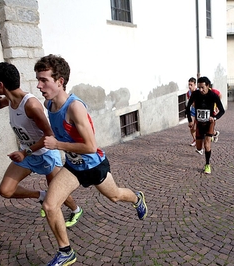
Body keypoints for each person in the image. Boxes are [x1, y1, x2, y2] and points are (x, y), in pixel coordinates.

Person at [34, 54, 148, 266]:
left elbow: (90, 147)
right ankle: (66, 251)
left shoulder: (75, 107)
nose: (39, 85)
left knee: (115, 197)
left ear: (59, 82)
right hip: (73, 167)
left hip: (93, 165)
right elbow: (54, 135)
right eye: (38, 79)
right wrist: (29, 150)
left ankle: (137, 198)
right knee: (50, 206)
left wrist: (57, 145)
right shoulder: (49, 104)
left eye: (44, 80)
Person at [0, 62, 82, 228]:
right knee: (6, 190)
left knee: (57, 192)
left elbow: (49, 134)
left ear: (1, 85)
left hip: (44, 153)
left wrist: (26, 152)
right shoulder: (10, 100)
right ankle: (40, 195)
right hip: (27, 154)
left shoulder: (30, 105)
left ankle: (76, 209)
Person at [185, 76, 225, 174]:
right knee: (199, 148)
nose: (201, 90)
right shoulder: (195, 94)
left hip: (209, 123)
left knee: (207, 145)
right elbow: (187, 107)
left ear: (208, 86)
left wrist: (214, 118)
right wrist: (190, 120)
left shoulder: (213, 95)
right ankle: (212, 135)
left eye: (203, 87)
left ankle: (207, 165)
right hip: (199, 123)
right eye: (199, 87)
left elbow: (222, 110)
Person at [186, 77, 197, 146]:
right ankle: (194, 139)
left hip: (199, 112)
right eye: (189, 85)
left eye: (191, 85)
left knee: (199, 127)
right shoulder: (188, 93)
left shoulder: (199, 91)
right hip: (192, 112)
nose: (189, 86)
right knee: (191, 126)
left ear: (195, 85)